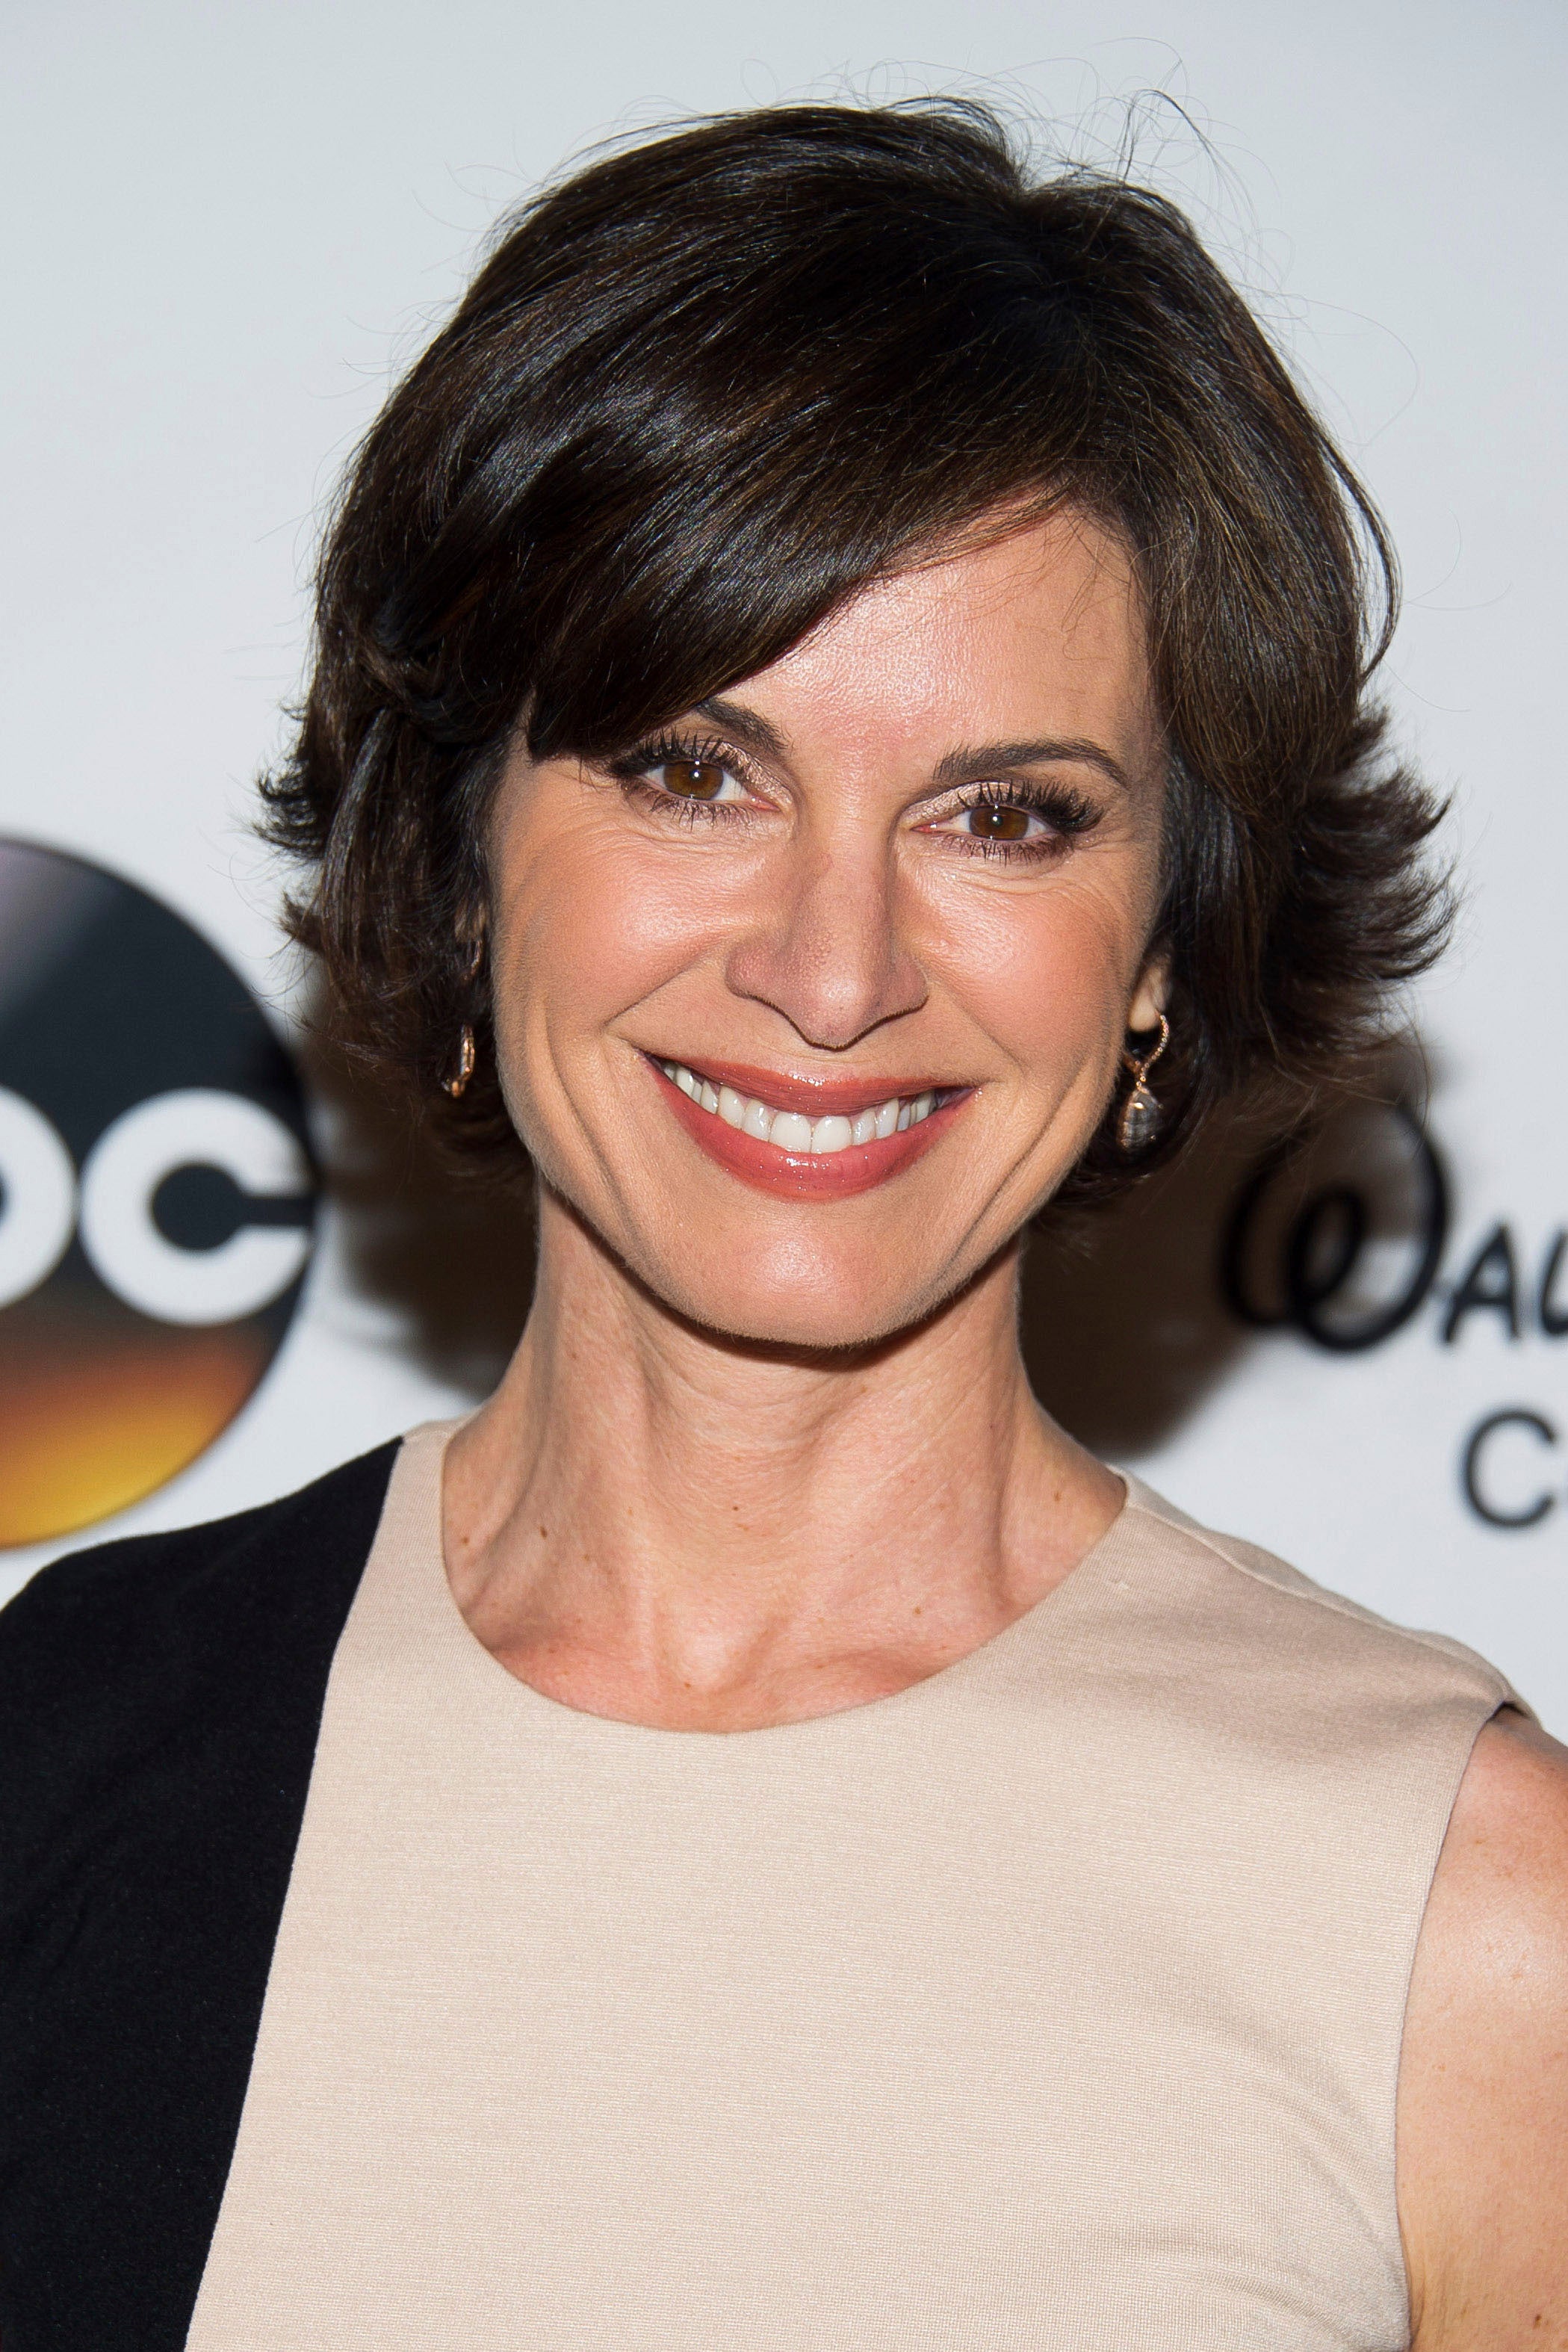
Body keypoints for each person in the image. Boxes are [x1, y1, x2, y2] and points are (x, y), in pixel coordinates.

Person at [1, 99, 1564, 2352]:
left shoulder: (1463, 1920)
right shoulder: (82, 1745)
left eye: (1007, 815)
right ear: (455, 849)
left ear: (1156, 950)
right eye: (691, 771)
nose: (834, 971)